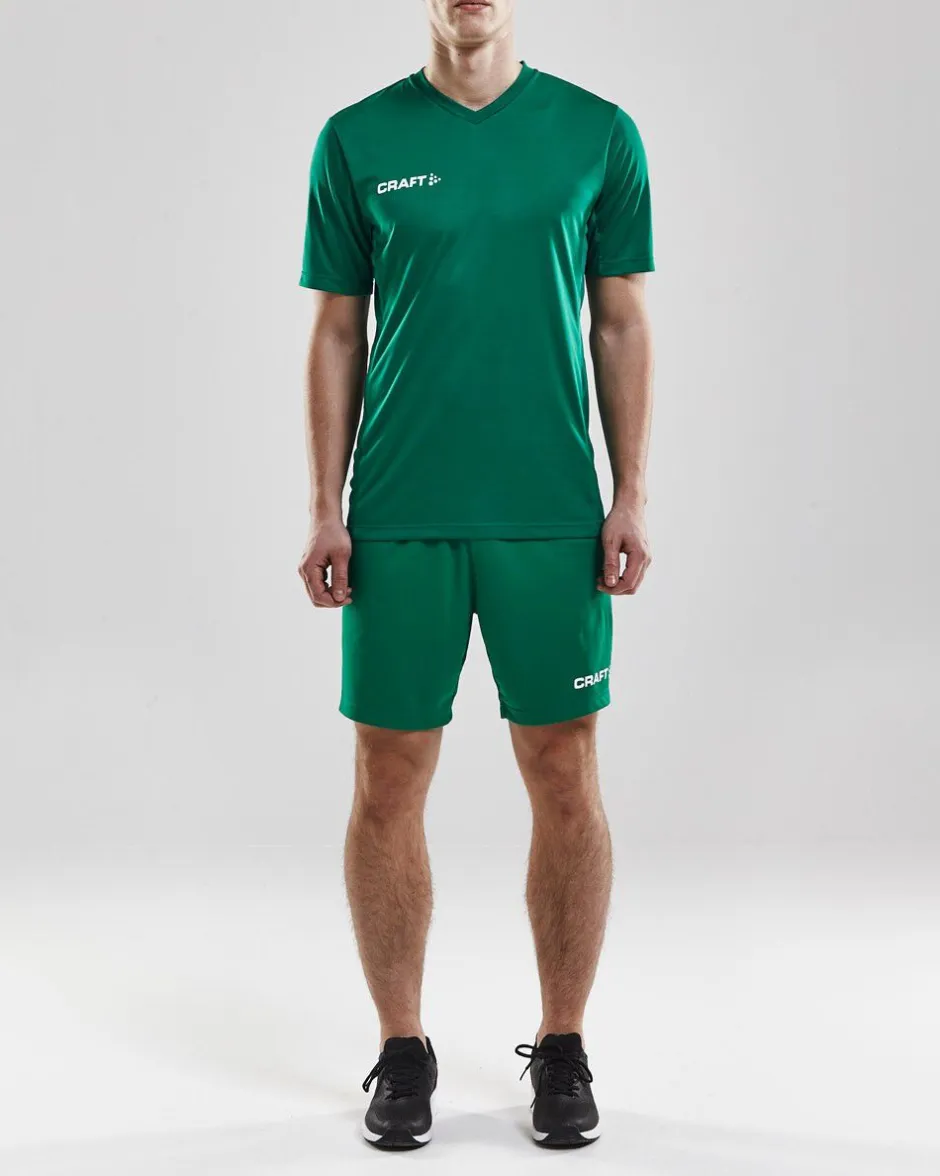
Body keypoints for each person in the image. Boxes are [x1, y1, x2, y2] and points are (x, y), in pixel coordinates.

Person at [297, 0, 654, 1151]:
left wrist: (629, 493)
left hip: (550, 515)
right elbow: (338, 331)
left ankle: (563, 1043)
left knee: (564, 772)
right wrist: (325, 506)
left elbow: (618, 321)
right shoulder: (356, 138)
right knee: (387, 778)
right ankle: (402, 1049)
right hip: (399, 514)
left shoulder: (597, 133)